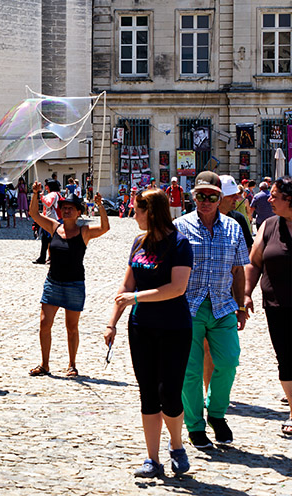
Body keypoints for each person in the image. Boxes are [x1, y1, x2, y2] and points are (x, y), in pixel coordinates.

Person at [104, 190, 193, 477]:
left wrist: (137, 298)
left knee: (169, 392)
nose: (133, 215)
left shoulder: (180, 244)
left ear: (151, 211)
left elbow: (177, 288)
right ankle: (152, 459)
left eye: (137, 210)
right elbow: (125, 287)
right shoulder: (138, 243)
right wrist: (112, 322)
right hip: (141, 328)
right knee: (147, 394)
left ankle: (176, 445)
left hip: (174, 328)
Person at [173, 171, 249, 449]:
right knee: (190, 371)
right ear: (193, 197)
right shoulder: (179, 226)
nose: (206, 201)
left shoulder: (233, 227)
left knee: (228, 362)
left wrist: (241, 305)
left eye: (212, 197)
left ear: (220, 198)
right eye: (201, 196)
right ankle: (195, 426)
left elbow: (239, 270)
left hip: (223, 306)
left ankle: (216, 413)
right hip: (187, 308)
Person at [28, 187, 110, 377]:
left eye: (70, 208)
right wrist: (35, 194)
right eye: (64, 207)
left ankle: (72, 364)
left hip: (74, 285)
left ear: (79, 212)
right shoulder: (54, 227)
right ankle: (45, 364)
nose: (66, 210)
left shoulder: (84, 231)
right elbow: (33, 213)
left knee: (71, 327)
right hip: (53, 283)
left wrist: (100, 206)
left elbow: (105, 227)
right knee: (44, 323)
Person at [244, 176, 292, 437]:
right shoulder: (269, 226)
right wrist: (246, 293)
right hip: (277, 304)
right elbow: (254, 263)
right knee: (285, 358)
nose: (268, 199)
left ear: (290, 200)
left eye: (274, 196)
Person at [220, 176, 253, 251]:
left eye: (236, 194)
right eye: (231, 195)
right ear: (219, 197)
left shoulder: (238, 218)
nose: (236, 198)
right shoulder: (206, 219)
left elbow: (248, 248)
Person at [32, 179, 62, 265]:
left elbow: (48, 204)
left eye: (46, 185)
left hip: (52, 220)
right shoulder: (56, 194)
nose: (45, 187)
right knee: (46, 240)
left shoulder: (52, 194)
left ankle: (49, 257)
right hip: (51, 219)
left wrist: (42, 197)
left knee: (49, 240)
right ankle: (44, 257)